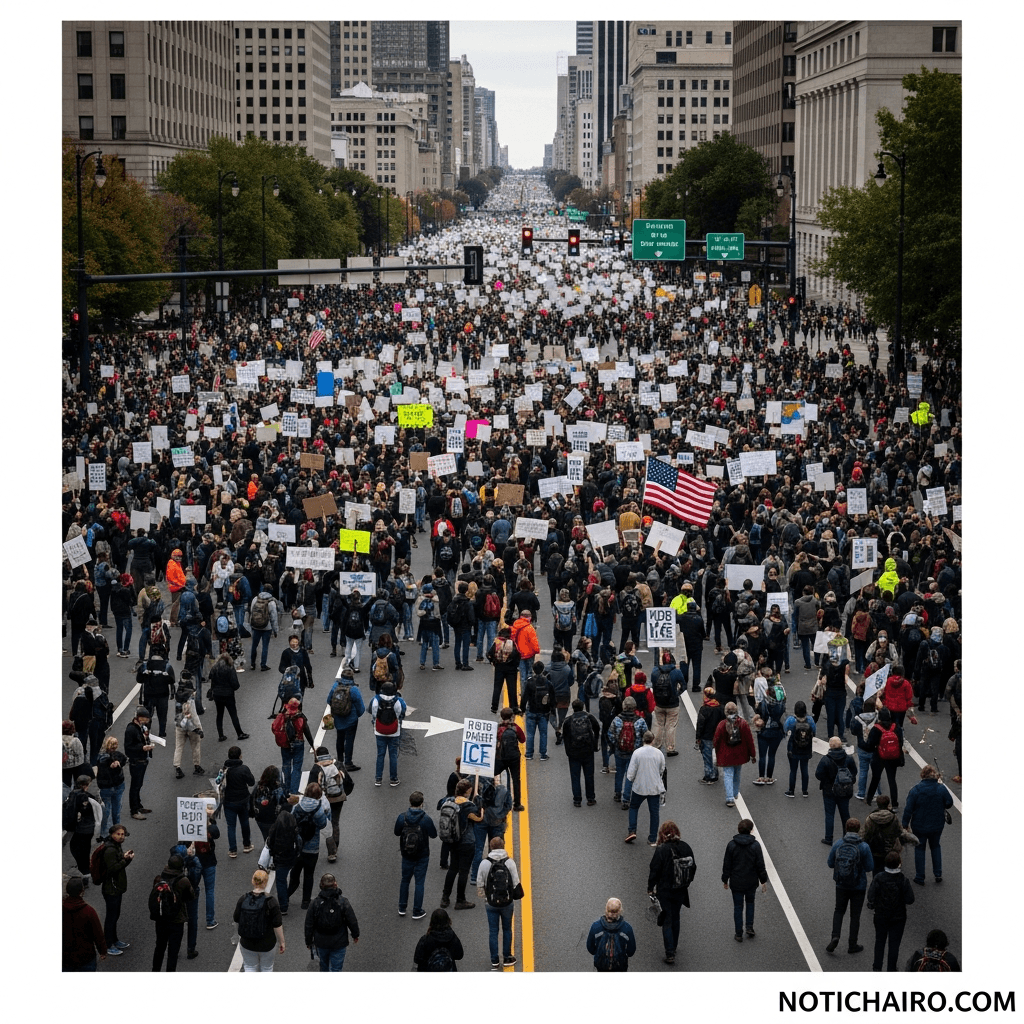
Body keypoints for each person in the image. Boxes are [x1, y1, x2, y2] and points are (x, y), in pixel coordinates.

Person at [646, 821, 696, 964]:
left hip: (665, 890)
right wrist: (687, 882)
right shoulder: (686, 847)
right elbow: (693, 867)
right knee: (676, 918)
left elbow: (654, 869)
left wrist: (650, 887)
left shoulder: (662, 850)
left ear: (662, 833)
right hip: (681, 889)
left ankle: (669, 953)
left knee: (667, 919)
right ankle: (673, 947)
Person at [825, 817, 874, 956]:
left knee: (839, 910)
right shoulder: (864, 847)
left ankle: (835, 936)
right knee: (855, 915)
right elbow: (870, 867)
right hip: (859, 886)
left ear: (846, 829)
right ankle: (852, 944)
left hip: (841, 884)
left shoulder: (838, 844)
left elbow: (830, 863)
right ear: (859, 830)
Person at [901, 765, 954, 886]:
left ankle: (920, 877)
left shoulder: (915, 790)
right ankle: (938, 873)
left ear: (922, 776)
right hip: (937, 824)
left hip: (919, 825)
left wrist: (904, 824)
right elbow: (949, 802)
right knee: (935, 846)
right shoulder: (941, 789)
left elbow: (908, 809)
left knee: (919, 848)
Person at [477, 835, 523, 969]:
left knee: (493, 931)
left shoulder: (485, 863)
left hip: (491, 903)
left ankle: (494, 961)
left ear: (491, 847)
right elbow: (516, 882)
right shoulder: (509, 862)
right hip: (507, 903)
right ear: (503, 846)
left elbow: (480, 884)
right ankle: (507, 957)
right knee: (507, 929)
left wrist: (486, 898)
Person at [866, 850, 916, 972]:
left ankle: (877, 967)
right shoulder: (903, 880)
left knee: (879, 942)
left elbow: (870, 896)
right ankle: (891, 969)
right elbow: (910, 899)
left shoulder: (879, 878)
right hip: (898, 918)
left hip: (881, 915)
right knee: (894, 945)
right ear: (899, 863)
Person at [721, 818, 769, 941]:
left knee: (738, 907)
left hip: (736, 882)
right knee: (750, 903)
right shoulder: (755, 845)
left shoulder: (731, 845)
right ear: (751, 830)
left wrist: (725, 879)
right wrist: (763, 879)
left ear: (738, 830)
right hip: (751, 882)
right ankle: (749, 927)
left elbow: (727, 864)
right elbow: (760, 864)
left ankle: (738, 933)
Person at [440, 778, 483, 910]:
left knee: (453, 868)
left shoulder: (449, 802)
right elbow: (479, 818)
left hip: (453, 840)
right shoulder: (468, 806)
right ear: (468, 791)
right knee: (464, 871)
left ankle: (445, 898)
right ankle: (460, 899)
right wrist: (478, 802)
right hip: (467, 842)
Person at [394, 790, 438, 920]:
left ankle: (402, 907)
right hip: (422, 855)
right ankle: (417, 910)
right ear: (422, 803)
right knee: (419, 882)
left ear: (410, 802)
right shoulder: (426, 819)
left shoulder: (402, 817)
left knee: (405, 880)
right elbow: (434, 835)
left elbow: (396, 832)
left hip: (406, 854)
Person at [304, 873, 360, 971]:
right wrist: (355, 934)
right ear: (335, 884)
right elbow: (352, 920)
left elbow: (309, 924)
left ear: (321, 885)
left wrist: (308, 941)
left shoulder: (315, 903)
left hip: (321, 942)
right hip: (339, 942)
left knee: (324, 966)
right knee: (336, 969)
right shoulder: (343, 902)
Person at [233, 868, 285, 971]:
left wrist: (236, 935)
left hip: (247, 942)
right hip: (267, 943)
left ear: (253, 881)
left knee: (249, 967)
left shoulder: (243, 899)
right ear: (265, 883)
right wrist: (282, 942)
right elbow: (277, 925)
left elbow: (236, 919)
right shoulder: (271, 902)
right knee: (267, 968)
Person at [150, 853, 195, 972]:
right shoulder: (183, 880)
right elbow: (191, 896)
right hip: (176, 920)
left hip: (161, 919)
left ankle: (155, 971)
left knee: (159, 948)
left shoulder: (160, 878)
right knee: (173, 952)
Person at [289, 781, 330, 910]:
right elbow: (323, 825)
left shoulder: (298, 806)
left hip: (298, 846)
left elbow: (292, 822)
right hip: (312, 848)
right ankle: (305, 902)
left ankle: (285, 895)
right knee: (309, 874)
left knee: (295, 874)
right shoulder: (318, 809)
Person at [309, 746, 353, 864]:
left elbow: (311, 786)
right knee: (335, 822)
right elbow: (349, 781)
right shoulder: (338, 764)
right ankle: (334, 850)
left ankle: (328, 848)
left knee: (324, 824)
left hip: (324, 799)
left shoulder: (316, 768)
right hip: (338, 798)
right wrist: (344, 794)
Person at [97, 823, 133, 957]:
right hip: (111, 889)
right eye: (118, 834)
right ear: (112, 834)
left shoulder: (116, 846)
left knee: (115, 915)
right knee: (111, 917)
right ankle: (108, 945)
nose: (121, 836)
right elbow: (112, 869)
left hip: (116, 888)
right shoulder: (110, 850)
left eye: (123, 834)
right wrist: (125, 860)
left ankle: (115, 940)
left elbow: (119, 864)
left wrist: (126, 859)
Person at [625, 732, 667, 845]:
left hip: (640, 787)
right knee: (654, 812)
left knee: (633, 807)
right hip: (654, 787)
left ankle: (632, 831)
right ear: (653, 740)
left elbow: (630, 774)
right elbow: (662, 769)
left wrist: (633, 780)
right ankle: (652, 838)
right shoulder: (658, 753)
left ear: (643, 740)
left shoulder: (637, 753)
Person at [712, 701, 756, 808]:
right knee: (737, 773)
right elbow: (750, 740)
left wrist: (715, 751)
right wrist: (753, 755)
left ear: (726, 712)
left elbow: (716, 741)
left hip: (726, 756)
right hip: (740, 755)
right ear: (736, 711)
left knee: (728, 775)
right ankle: (735, 793)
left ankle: (729, 798)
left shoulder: (722, 724)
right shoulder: (743, 723)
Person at [815, 736, 858, 846]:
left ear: (830, 746)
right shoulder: (848, 758)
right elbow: (854, 772)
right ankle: (847, 836)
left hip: (829, 791)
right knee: (845, 814)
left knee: (830, 814)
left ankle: (828, 838)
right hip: (844, 790)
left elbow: (818, 775)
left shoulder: (826, 759)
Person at [608, 695, 647, 807]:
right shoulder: (640, 721)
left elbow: (610, 734)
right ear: (634, 707)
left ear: (624, 706)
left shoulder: (617, 719)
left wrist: (616, 743)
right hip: (633, 753)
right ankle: (626, 799)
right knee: (629, 775)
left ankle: (617, 793)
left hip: (619, 751)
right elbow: (646, 735)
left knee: (619, 772)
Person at [63, 875, 107, 971]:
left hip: (65, 958)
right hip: (86, 957)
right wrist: (102, 951)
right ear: (82, 892)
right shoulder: (88, 911)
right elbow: (98, 935)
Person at [272, 697, 315, 796]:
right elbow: (307, 732)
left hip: (285, 744)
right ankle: (294, 790)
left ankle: (286, 789)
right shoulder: (300, 717)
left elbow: (274, 728)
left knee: (286, 765)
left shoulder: (282, 716)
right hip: (298, 743)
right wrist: (312, 745)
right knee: (297, 766)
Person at [563, 698, 601, 807]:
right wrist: (594, 743)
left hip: (574, 753)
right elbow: (597, 728)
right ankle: (590, 798)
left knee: (575, 776)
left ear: (573, 708)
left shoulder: (568, 721)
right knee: (589, 775)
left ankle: (577, 800)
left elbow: (565, 737)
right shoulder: (589, 717)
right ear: (583, 706)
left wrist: (568, 751)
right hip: (588, 751)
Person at [865, 706, 905, 809]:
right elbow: (900, 741)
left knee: (875, 778)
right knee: (892, 780)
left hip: (879, 756)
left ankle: (869, 799)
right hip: (893, 757)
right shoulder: (895, 727)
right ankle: (895, 804)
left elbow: (870, 744)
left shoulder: (876, 728)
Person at [328, 666, 365, 773]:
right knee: (349, 740)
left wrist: (336, 710)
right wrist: (355, 715)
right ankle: (348, 763)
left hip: (338, 719)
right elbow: (361, 707)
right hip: (351, 720)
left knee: (339, 738)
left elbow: (328, 699)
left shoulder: (335, 686)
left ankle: (340, 761)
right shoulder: (354, 689)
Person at [370, 681, 407, 787]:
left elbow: (373, 713)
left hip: (379, 731)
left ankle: (378, 779)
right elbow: (402, 712)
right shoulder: (398, 700)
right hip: (394, 731)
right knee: (393, 755)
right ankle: (393, 779)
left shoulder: (376, 699)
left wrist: (375, 722)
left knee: (380, 754)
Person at [222, 745, 256, 857]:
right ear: (239, 756)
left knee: (231, 826)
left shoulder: (224, 770)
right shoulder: (244, 769)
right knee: (244, 822)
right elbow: (251, 782)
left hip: (229, 802)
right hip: (243, 800)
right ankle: (247, 845)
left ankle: (232, 850)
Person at [65, 775, 102, 879]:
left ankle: (80, 867)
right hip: (88, 830)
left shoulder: (71, 795)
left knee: (75, 848)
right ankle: (85, 874)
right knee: (85, 851)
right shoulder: (90, 798)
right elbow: (98, 815)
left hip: (76, 830)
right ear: (87, 785)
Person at [586, 897, 637, 972]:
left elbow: (590, 947)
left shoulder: (596, 926)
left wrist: (597, 953)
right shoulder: (627, 928)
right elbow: (631, 950)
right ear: (620, 911)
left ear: (606, 909)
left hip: (601, 964)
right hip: (620, 965)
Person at [208, 652, 249, 742]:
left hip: (217, 695)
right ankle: (240, 733)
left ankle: (221, 735)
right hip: (228, 695)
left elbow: (210, 677)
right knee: (233, 714)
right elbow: (235, 684)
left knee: (219, 714)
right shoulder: (230, 668)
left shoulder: (214, 668)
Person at [137, 645, 175, 739]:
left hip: (149, 694)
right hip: (163, 694)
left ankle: (146, 732)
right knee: (162, 715)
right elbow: (172, 680)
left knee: (148, 714)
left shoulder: (145, 665)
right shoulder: (167, 666)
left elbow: (139, 679)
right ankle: (162, 732)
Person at [171, 673, 204, 779]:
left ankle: (177, 768)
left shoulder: (178, 697)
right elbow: (194, 715)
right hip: (192, 727)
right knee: (195, 746)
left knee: (179, 747)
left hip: (180, 725)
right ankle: (197, 766)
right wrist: (199, 728)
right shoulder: (190, 699)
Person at [650, 652, 683, 755]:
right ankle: (670, 747)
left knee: (659, 725)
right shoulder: (676, 672)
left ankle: (656, 745)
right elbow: (684, 686)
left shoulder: (655, 672)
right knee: (671, 726)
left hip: (659, 703)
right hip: (672, 704)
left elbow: (653, 685)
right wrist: (676, 694)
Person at [124, 706, 155, 820]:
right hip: (136, 762)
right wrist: (143, 748)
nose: (147, 721)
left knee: (139, 784)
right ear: (138, 718)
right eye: (145, 718)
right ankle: (134, 810)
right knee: (135, 786)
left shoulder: (141, 728)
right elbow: (128, 748)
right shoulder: (131, 730)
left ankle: (138, 805)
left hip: (142, 761)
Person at [493, 708, 526, 812]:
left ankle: (490, 798)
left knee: (491, 775)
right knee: (516, 780)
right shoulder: (515, 728)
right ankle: (517, 804)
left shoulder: (497, 728)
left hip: (500, 757)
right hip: (514, 758)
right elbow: (523, 739)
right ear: (512, 716)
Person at [249, 765, 290, 845]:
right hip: (273, 819)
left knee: (266, 837)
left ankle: (267, 848)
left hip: (260, 818)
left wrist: (252, 813)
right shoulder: (278, 789)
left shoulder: (258, 786)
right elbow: (284, 804)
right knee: (276, 839)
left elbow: (252, 799)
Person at [783, 700, 816, 798]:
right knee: (804, 768)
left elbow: (785, 729)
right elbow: (814, 732)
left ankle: (791, 791)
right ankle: (804, 791)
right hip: (806, 747)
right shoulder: (810, 720)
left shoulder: (791, 720)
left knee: (793, 770)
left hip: (793, 748)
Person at [487, 626, 521, 714]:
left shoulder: (497, 643)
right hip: (511, 669)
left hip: (499, 667)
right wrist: (515, 666)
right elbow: (517, 656)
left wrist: (493, 662)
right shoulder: (512, 643)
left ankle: (494, 707)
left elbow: (489, 654)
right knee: (512, 688)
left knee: (497, 687)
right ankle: (513, 707)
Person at [95, 735, 126, 836]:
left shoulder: (101, 757)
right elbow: (124, 759)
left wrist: (117, 763)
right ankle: (117, 831)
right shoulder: (109, 757)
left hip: (106, 788)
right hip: (116, 786)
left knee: (106, 811)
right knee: (116, 811)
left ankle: (104, 833)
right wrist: (116, 764)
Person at [694, 686, 724, 785]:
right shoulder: (720, 707)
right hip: (718, 736)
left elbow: (700, 724)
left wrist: (698, 737)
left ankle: (709, 776)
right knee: (715, 755)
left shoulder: (704, 709)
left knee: (707, 757)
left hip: (706, 736)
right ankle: (715, 774)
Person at [249, 584, 279, 671]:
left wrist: (252, 624)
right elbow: (274, 618)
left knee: (254, 645)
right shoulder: (271, 602)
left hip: (255, 626)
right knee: (265, 646)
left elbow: (252, 611)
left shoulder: (256, 599)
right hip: (267, 627)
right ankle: (263, 665)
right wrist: (275, 630)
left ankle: (252, 664)